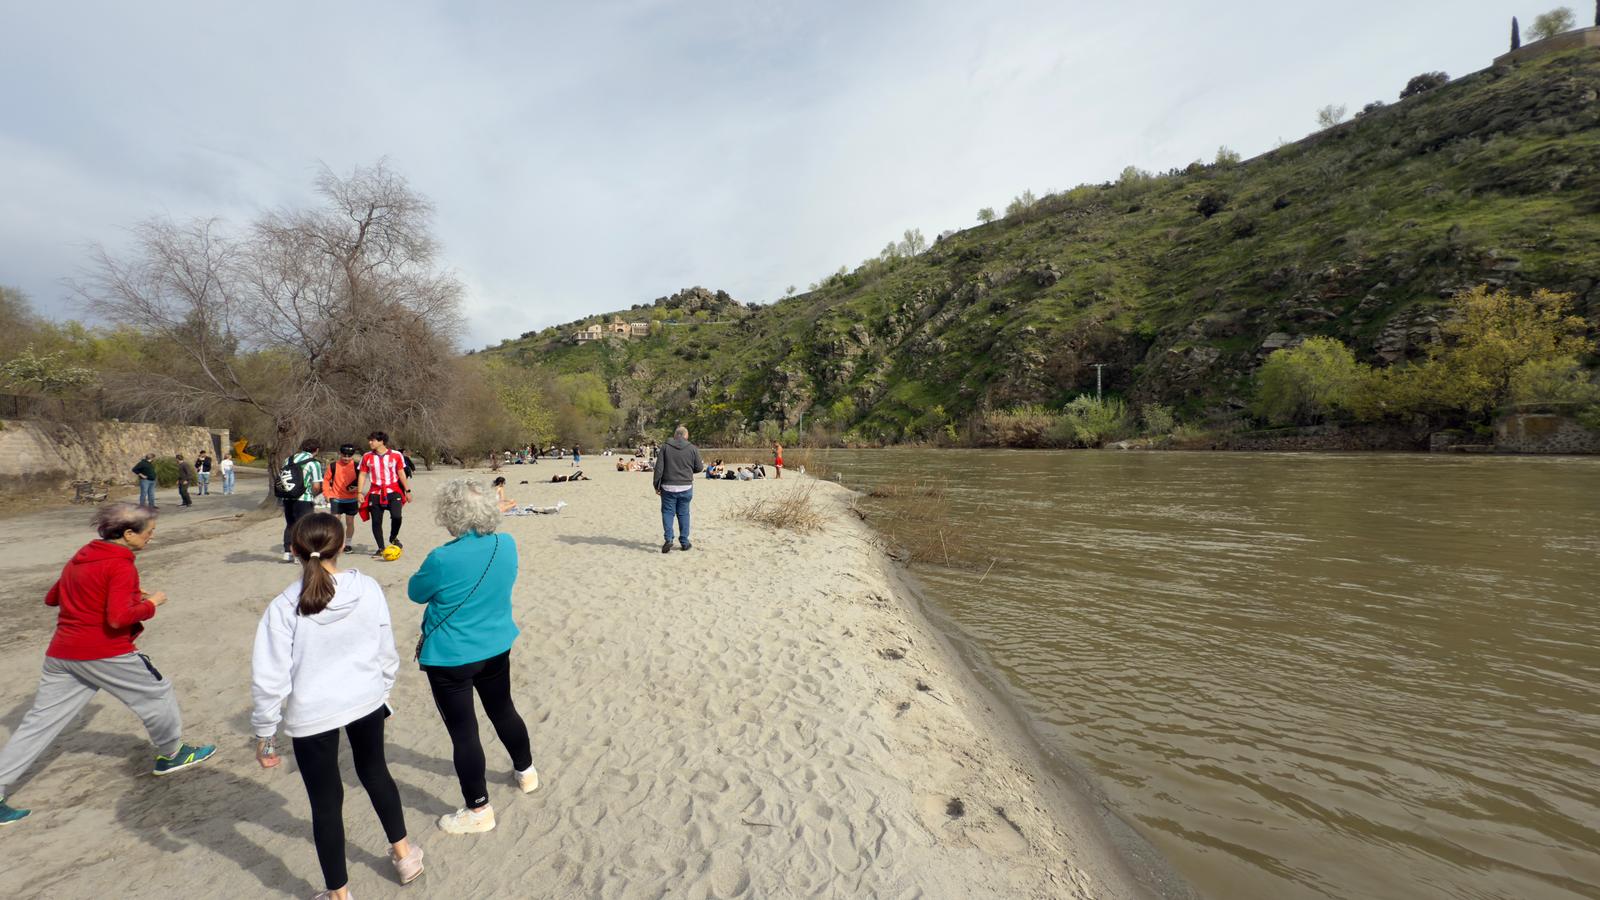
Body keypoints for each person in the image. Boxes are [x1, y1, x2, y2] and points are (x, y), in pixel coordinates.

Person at [0, 503, 216, 826]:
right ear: (128, 534)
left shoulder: (83, 555)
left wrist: (123, 594)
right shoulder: (121, 565)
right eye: (149, 533)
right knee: (158, 692)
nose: (151, 539)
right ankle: (172, 754)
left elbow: (53, 597)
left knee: (38, 723)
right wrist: (150, 603)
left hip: (62, 654)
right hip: (104, 651)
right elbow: (117, 619)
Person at [251, 513, 424, 898]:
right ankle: (405, 854)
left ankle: (339, 894)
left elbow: (269, 679)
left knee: (325, 803)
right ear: (342, 545)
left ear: (294, 550)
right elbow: (386, 650)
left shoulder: (283, 607)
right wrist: (383, 693)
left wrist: (265, 734)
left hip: (313, 713)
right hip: (365, 700)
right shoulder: (367, 588)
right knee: (376, 773)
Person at [408, 479, 537, 835]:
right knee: (503, 709)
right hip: (496, 645)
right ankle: (526, 772)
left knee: (464, 733)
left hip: (452, 656)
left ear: (451, 514)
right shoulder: (506, 544)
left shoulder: (442, 557)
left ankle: (478, 808)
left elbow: (416, 592)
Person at [358, 431, 411, 559]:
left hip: (393, 491)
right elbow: (363, 474)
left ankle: (393, 537)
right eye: (369, 440)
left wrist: (407, 491)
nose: (370, 442)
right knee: (376, 521)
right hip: (375, 492)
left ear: (382, 441)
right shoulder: (366, 456)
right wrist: (359, 492)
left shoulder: (396, 455)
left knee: (397, 516)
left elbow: (401, 473)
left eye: (373, 440)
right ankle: (381, 548)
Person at [653, 425, 703, 554]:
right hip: (686, 486)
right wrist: (688, 471)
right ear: (686, 436)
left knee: (668, 513)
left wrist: (656, 485)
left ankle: (669, 539)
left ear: (676, 435)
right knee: (684, 513)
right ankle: (684, 542)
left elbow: (659, 469)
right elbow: (699, 467)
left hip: (668, 486)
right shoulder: (692, 448)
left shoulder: (665, 447)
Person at [281, 440, 325, 563]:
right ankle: (299, 554)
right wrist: (314, 495)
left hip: (287, 496)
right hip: (304, 498)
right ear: (316, 450)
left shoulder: (288, 459)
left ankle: (287, 551)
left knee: (290, 524)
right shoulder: (313, 463)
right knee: (304, 526)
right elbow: (316, 485)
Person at [323, 444, 362, 553]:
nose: (346, 458)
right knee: (335, 521)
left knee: (350, 522)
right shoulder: (333, 466)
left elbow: (361, 481)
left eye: (349, 456)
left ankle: (348, 544)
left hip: (352, 499)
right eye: (344, 455)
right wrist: (327, 494)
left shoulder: (356, 466)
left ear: (353, 456)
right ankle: (335, 543)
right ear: (340, 454)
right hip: (336, 498)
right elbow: (326, 480)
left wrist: (357, 489)